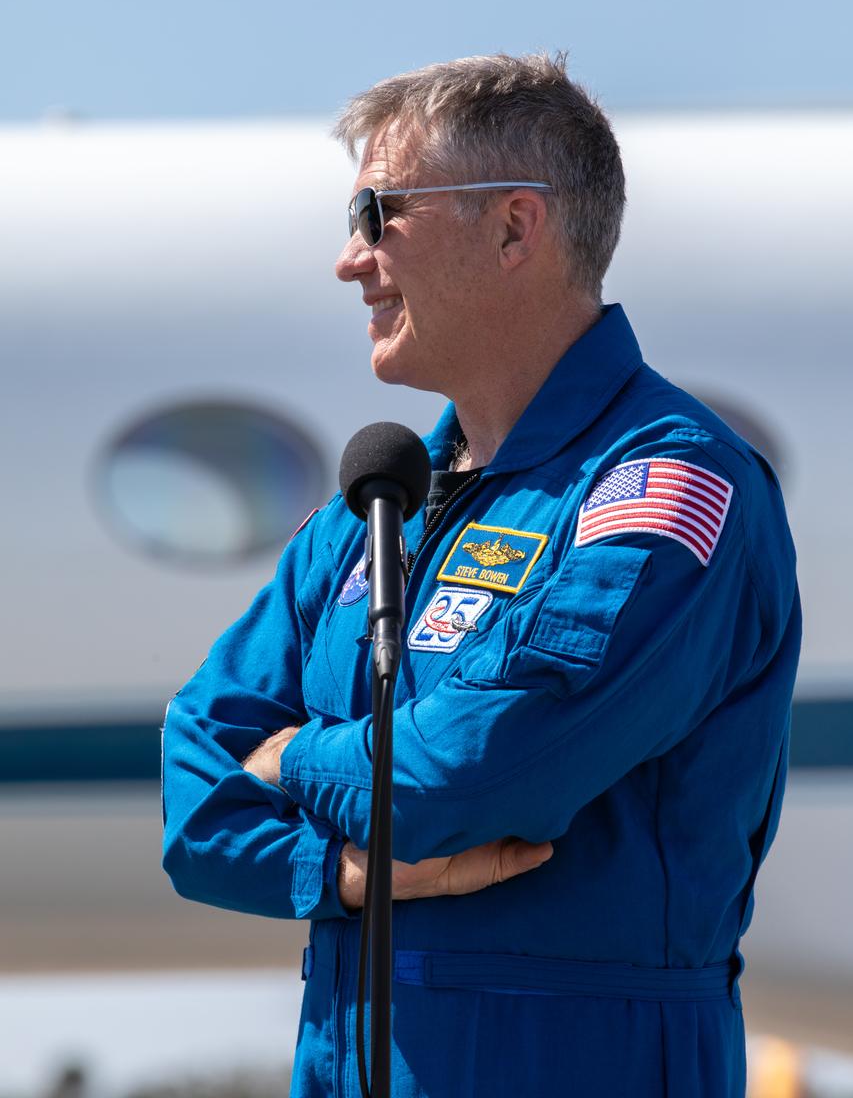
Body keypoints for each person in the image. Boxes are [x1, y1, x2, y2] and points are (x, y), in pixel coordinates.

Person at [162, 53, 800, 1097]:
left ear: (514, 227)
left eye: (378, 215)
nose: (349, 260)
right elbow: (193, 804)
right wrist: (343, 873)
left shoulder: (670, 488)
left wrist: (290, 757)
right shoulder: (370, 511)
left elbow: (471, 779)